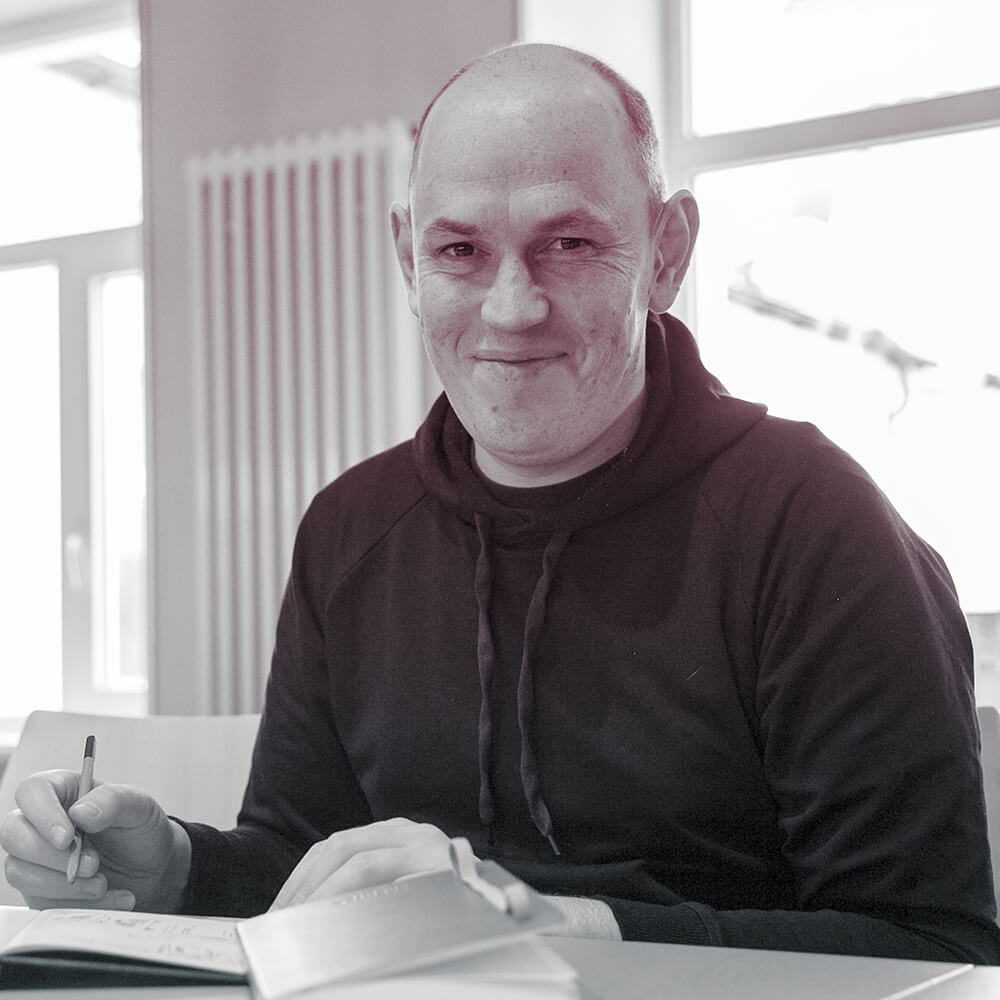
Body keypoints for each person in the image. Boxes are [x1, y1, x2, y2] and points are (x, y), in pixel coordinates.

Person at [3, 42, 998, 963]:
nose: (513, 308)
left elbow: (932, 944)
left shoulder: (817, 526)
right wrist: (175, 869)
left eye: (568, 242)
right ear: (408, 258)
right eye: (459, 252)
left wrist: (564, 927)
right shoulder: (350, 528)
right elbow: (305, 865)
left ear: (666, 252)